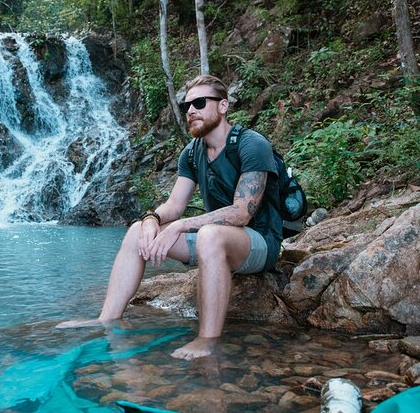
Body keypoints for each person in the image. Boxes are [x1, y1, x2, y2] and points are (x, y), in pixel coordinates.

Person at [57, 74, 283, 360]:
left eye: (200, 103)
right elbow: (174, 205)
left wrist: (180, 226)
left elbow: (241, 213)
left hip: (259, 242)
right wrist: (151, 218)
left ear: (223, 106)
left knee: (209, 234)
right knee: (137, 230)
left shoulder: (252, 144)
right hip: (212, 241)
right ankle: (107, 318)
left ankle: (207, 339)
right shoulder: (192, 153)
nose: (191, 110)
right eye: (187, 105)